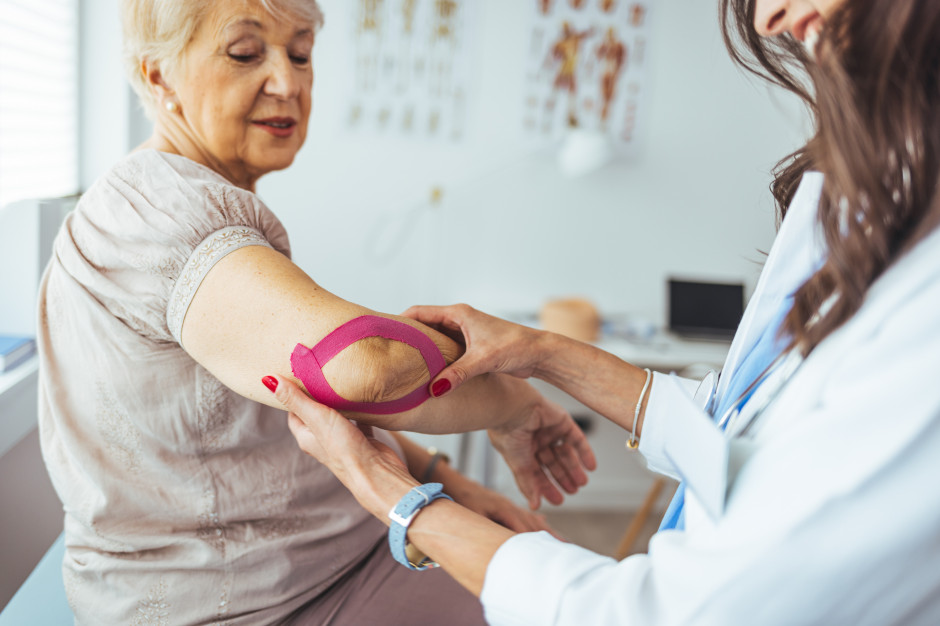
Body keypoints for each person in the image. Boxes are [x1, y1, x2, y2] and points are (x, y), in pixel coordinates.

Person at [271, 0, 940, 623]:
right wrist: (540, 353)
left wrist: (401, 500)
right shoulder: (878, 195)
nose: (768, 17)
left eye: (302, 55)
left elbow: (666, 612)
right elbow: (742, 436)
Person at [36, 0, 596, 623]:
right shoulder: (159, 218)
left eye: (300, 52)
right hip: (253, 601)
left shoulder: (204, 202)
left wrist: (450, 481)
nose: (288, 81)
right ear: (158, 75)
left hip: (339, 548)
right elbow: (362, 366)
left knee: (549, 582)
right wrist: (515, 404)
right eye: (246, 53)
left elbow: (298, 410)